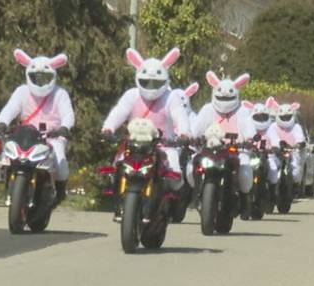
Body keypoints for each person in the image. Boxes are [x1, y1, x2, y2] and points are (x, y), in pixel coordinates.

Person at [101, 47, 190, 190]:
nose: (151, 86)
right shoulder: (131, 95)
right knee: (115, 168)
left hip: (164, 146)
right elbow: (119, 112)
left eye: (155, 83)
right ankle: (118, 199)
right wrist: (108, 128)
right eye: (146, 82)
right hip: (132, 144)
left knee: (175, 174)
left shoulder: (171, 97)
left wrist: (184, 134)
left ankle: (169, 203)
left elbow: (180, 116)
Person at [0, 49, 75, 204]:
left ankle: (59, 191)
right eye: (35, 78)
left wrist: (65, 128)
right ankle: (9, 183)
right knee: (8, 157)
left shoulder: (60, 94)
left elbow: (68, 115)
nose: (40, 82)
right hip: (26, 135)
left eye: (45, 78)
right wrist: (3, 122)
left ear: (53, 77)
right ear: (28, 76)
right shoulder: (22, 91)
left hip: (52, 136)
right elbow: (10, 108)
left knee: (61, 164)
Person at [189, 71, 256, 194]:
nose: (224, 96)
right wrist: (192, 137)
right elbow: (197, 128)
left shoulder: (242, 110)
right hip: (210, 149)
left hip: (236, 150)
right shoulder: (208, 109)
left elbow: (249, 128)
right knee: (190, 166)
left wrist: (249, 140)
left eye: (229, 94)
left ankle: (244, 201)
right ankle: (196, 193)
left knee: (245, 175)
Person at [242, 99, 281, 185]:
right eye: (258, 117)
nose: (261, 119)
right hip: (250, 155)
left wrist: (276, 146)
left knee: (273, 171)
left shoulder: (271, 128)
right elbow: (243, 137)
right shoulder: (247, 127)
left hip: (267, 156)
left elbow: (275, 139)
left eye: (263, 117)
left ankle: (272, 192)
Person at [269, 98, 305, 184]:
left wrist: (299, 144)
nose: (285, 119)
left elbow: (299, 137)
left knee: (296, 168)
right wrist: (277, 144)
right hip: (276, 153)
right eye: (283, 117)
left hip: (292, 153)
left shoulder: (296, 127)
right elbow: (272, 137)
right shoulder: (273, 126)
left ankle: (294, 184)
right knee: (271, 167)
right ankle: (272, 186)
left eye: (287, 117)